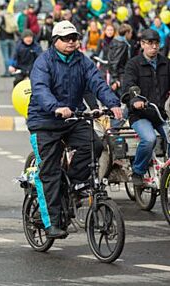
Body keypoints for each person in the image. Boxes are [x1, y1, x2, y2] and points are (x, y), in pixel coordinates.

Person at [27, 20, 122, 239]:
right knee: (49, 172)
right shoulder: (44, 62)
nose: (72, 42)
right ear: (55, 41)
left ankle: (71, 183)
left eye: (75, 38)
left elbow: (97, 82)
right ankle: (50, 222)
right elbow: (40, 89)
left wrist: (112, 103)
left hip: (73, 118)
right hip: (45, 121)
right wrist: (56, 107)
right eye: (67, 38)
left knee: (95, 146)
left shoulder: (82, 60)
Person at [122, 29, 170, 187]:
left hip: (160, 113)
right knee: (149, 139)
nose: (154, 47)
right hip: (140, 114)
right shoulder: (133, 64)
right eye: (150, 43)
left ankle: (167, 172)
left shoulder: (166, 63)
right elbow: (128, 85)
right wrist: (134, 99)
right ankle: (138, 170)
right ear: (142, 44)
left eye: (156, 43)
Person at [108, 23, 133, 95]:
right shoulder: (122, 45)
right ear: (126, 33)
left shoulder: (115, 41)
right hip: (120, 75)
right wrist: (115, 79)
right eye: (130, 33)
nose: (131, 35)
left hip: (116, 74)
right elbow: (115, 62)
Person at [0, 6, 18, 77]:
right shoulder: (10, 15)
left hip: (3, 38)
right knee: (11, 56)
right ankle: (12, 71)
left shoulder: (0, 17)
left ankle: (7, 72)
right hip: (12, 38)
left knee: (5, 56)